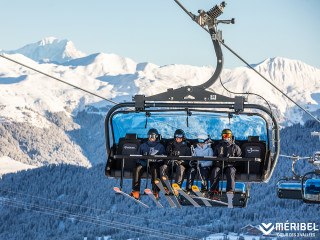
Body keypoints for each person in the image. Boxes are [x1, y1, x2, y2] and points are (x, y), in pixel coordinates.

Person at [209, 129, 241, 207]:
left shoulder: (235, 147)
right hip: (220, 165)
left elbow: (239, 159)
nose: (226, 138)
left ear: (231, 136)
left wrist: (231, 163)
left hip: (230, 166)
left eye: (228, 136)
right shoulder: (218, 146)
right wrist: (218, 163)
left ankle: (230, 191)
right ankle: (214, 191)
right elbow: (214, 157)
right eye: (224, 136)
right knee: (215, 171)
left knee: (230, 171)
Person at [130, 128, 165, 200]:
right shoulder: (143, 145)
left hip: (155, 163)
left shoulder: (160, 146)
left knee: (154, 170)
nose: (150, 138)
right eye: (149, 136)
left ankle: (155, 191)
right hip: (145, 163)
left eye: (152, 136)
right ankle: (136, 190)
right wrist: (141, 161)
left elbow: (163, 158)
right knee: (137, 169)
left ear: (156, 137)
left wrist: (156, 160)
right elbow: (138, 156)